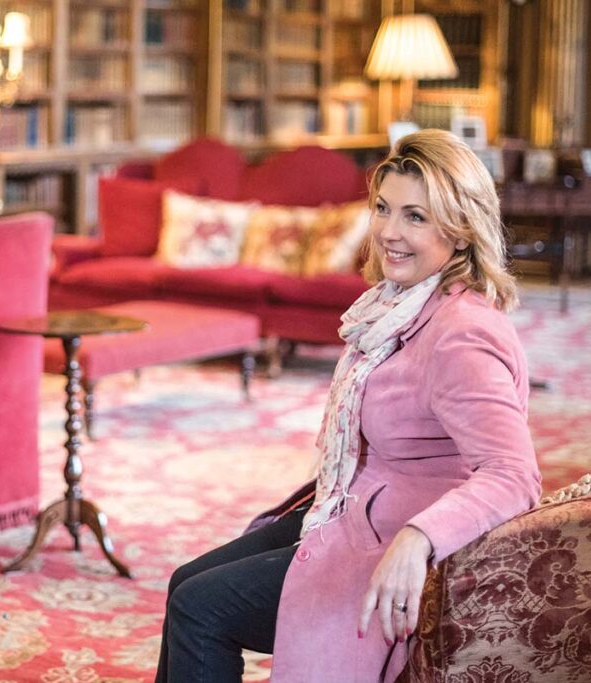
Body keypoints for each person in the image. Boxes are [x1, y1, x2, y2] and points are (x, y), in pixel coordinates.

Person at [155, 129, 542, 682]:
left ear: (460, 231)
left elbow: (515, 474)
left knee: (202, 607)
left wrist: (418, 538)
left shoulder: (461, 335)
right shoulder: (397, 306)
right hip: (351, 508)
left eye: (416, 216)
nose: (388, 232)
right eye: (383, 209)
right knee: (185, 584)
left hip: (401, 537)